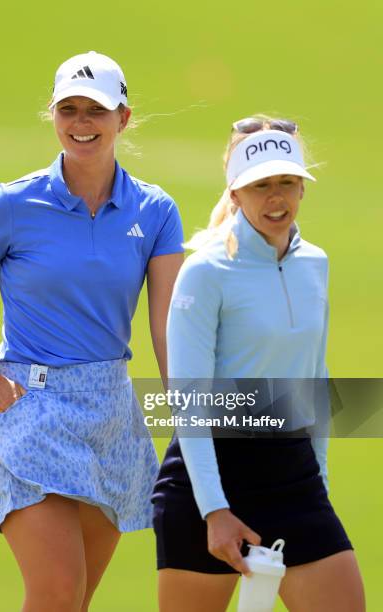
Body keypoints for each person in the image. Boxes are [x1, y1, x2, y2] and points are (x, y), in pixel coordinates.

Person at [0, 51, 184, 612]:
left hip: (111, 410)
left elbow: (166, 326)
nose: (81, 123)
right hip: (27, 405)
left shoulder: (156, 210)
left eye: (95, 109)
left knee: (75, 598)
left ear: (124, 117)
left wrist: (183, 412)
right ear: (54, 115)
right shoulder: (13, 204)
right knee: (57, 591)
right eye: (68, 109)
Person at [152, 117, 365, 611]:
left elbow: (314, 376)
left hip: (293, 476)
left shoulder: (315, 262)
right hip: (209, 480)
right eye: (261, 185)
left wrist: (320, 482)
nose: (276, 198)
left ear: (303, 188)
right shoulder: (204, 272)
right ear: (235, 192)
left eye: (287, 182)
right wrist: (215, 510)